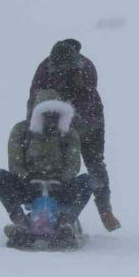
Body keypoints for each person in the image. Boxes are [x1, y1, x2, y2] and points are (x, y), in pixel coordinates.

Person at [27, 39, 121, 231]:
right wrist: (34, 126)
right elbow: (33, 101)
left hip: (89, 119)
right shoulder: (44, 69)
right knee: (53, 160)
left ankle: (105, 210)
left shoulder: (86, 69)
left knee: (95, 162)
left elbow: (86, 105)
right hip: (51, 117)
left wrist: (74, 130)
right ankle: (47, 206)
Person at [0, 90, 93, 246]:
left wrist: (61, 179)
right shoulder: (21, 131)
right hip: (28, 186)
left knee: (88, 180)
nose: (51, 117)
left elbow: (74, 164)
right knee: (0, 176)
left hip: (60, 187)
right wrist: (27, 178)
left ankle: (66, 223)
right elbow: (15, 161)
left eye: (55, 113)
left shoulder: (69, 134)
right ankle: (21, 223)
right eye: (46, 113)